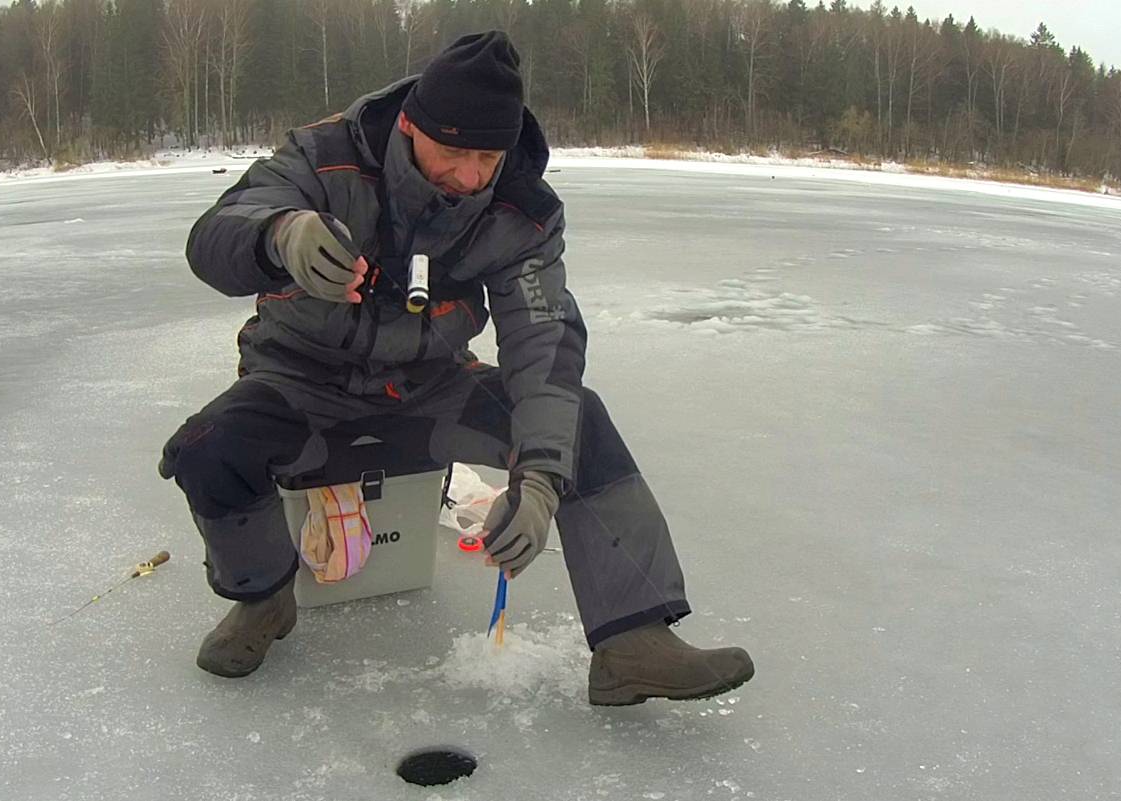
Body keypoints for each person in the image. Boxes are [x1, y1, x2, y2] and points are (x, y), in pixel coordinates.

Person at [158, 31, 753, 706]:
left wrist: (540, 480)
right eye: (453, 152)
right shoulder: (325, 157)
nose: (470, 175)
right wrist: (277, 236)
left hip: (430, 388)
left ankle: (632, 642)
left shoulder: (519, 211)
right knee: (207, 450)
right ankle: (261, 601)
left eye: (486, 157)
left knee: (575, 419)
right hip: (300, 387)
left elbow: (543, 340)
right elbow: (214, 236)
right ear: (410, 125)